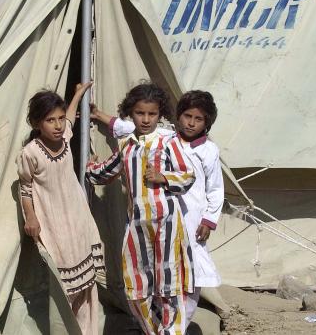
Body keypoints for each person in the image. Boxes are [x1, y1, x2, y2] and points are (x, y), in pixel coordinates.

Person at [97, 90, 224, 329]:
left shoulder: (208, 150)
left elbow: (215, 189)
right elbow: (127, 127)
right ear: (178, 116)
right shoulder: (165, 137)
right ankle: (160, 327)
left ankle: (178, 327)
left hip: (191, 223)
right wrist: (98, 115)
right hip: (159, 223)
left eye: (199, 119)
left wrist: (208, 220)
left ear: (207, 122)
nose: (191, 123)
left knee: (188, 280)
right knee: (156, 279)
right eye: (187, 116)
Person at [85, 82, 195, 335]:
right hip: (137, 223)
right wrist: (89, 168)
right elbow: (105, 172)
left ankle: (172, 332)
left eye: (152, 114)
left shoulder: (169, 141)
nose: (145, 119)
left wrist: (164, 177)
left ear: (160, 114)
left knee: (168, 285)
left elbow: (188, 176)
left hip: (166, 222)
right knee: (136, 287)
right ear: (130, 113)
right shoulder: (126, 144)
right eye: (140, 113)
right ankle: (154, 331)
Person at [17, 82, 103, 335]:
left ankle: (86, 330)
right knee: (66, 283)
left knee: (86, 281)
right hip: (53, 223)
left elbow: (72, 118)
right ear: (36, 124)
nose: (58, 125)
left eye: (60, 119)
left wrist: (77, 94)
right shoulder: (30, 153)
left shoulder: (65, 138)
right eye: (50, 120)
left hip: (77, 216)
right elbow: (25, 188)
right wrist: (30, 218)